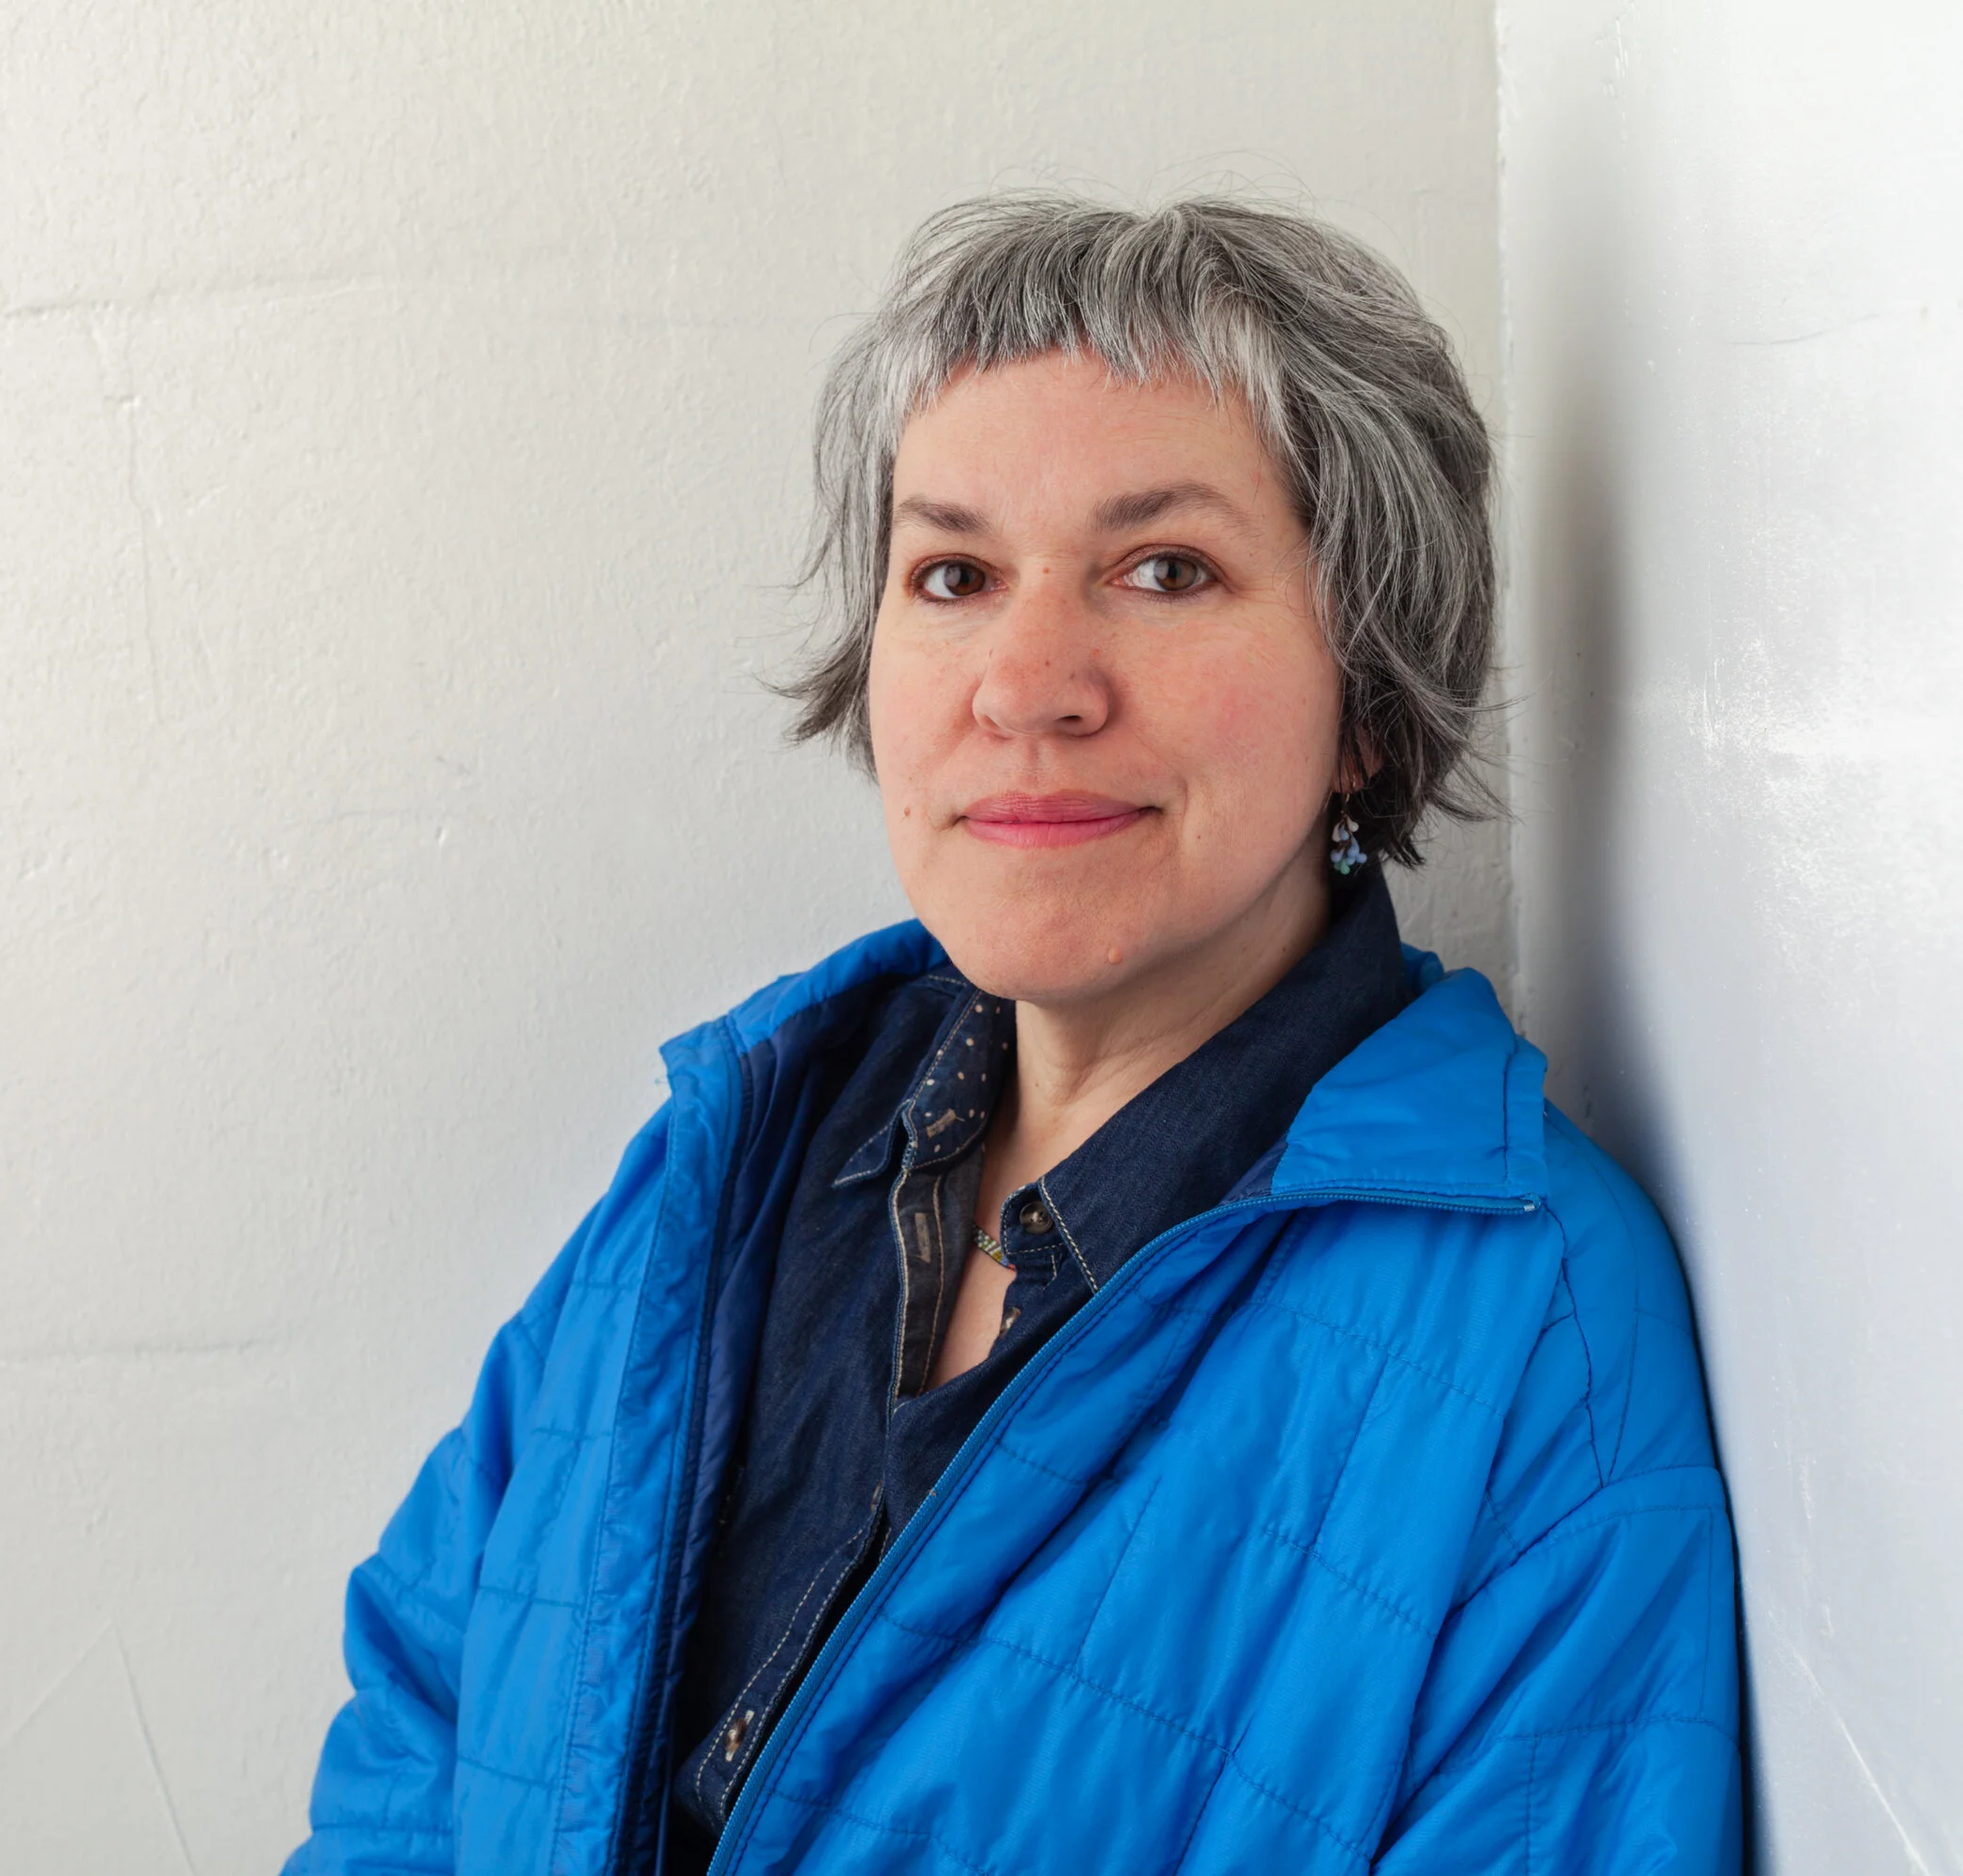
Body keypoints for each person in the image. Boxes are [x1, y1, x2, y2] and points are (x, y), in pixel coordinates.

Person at [282, 194, 1739, 1874]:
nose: (1027, 681)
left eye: (1165, 569)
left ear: (1369, 695)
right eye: (955, 574)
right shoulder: (732, 1151)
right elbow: (427, 1707)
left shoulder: (1538, 1339)